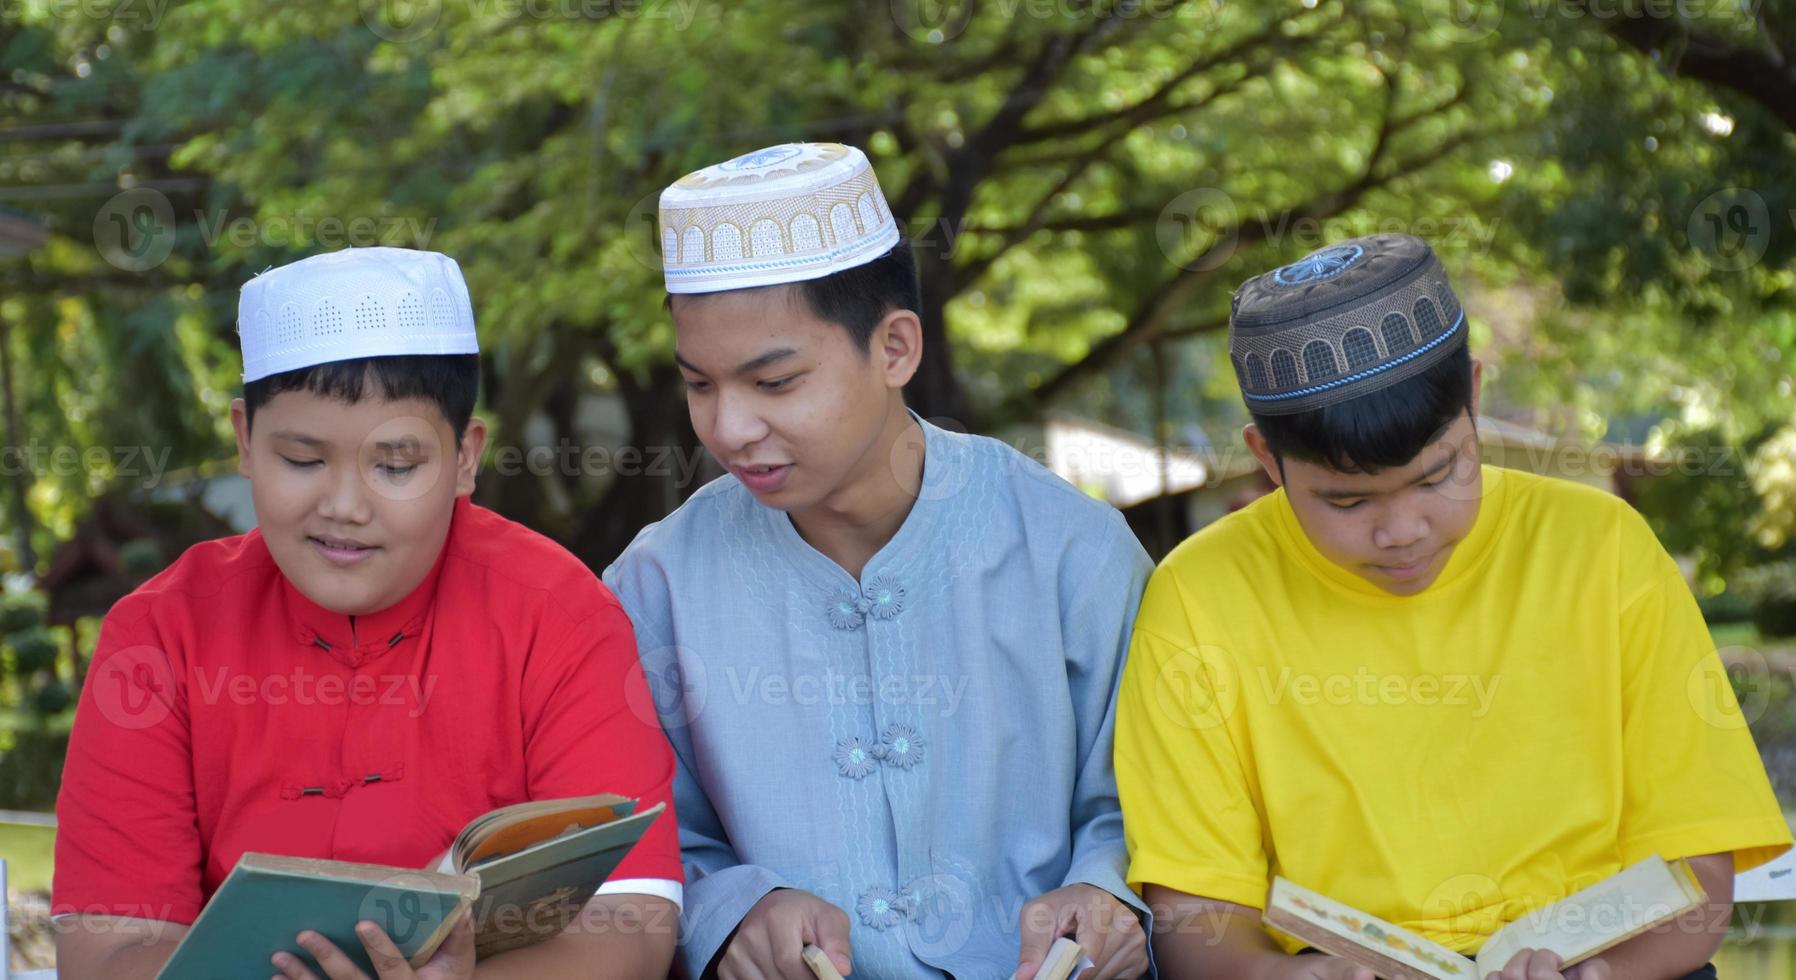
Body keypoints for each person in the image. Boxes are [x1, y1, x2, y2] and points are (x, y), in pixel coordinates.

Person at [1115, 233, 1792, 980]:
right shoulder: (1197, 596)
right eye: (1346, 499)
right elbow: (1196, 919)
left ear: (1473, 397)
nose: (1401, 532)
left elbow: (1697, 868)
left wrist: (1608, 973)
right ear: (1267, 460)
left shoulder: (1601, 546)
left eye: (1438, 476)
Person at [53, 247, 684, 979]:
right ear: (244, 442)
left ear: (465, 458)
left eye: (395, 465)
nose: (345, 507)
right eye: (302, 459)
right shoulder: (160, 635)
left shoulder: (558, 614)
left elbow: (631, 927)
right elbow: (107, 949)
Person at [603, 142, 1151, 979]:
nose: (729, 429)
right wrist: (734, 907)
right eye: (700, 385)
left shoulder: (1072, 552)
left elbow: (1144, 802)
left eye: (775, 382)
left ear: (895, 349)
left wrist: (1104, 893)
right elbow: (636, 833)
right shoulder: (656, 586)